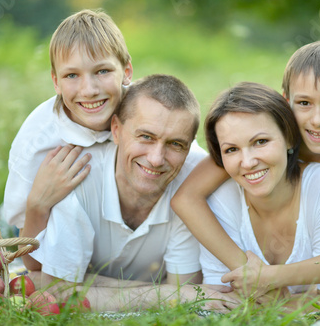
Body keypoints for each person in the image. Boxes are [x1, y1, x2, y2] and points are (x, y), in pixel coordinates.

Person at [171, 40, 320, 298]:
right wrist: (248, 271)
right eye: (304, 103)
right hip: (303, 229)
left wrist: (271, 278)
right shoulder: (260, 136)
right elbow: (187, 198)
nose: (317, 120)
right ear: (286, 101)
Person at [26, 74, 238, 312]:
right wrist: (165, 293)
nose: (156, 159)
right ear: (116, 130)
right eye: (146, 137)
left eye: (175, 144)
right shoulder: (77, 177)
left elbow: (185, 291)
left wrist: (84, 285)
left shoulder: (192, 187)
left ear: (189, 148)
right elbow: (59, 294)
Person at [199, 82, 320, 310]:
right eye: (231, 149)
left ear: (289, 139)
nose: (248, 162)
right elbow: (219, 299)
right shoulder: (221, 200)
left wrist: (273, 299)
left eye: (260, 142)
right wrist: (301, 300)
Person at [2, 9, 133, 250]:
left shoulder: (146, 111)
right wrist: (38, 204)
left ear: (126, 71)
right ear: (56, 82)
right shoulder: (37, 141)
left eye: (102, 71)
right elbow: (27, 251)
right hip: (49, 236)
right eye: (72, 75)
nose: (89, 90)